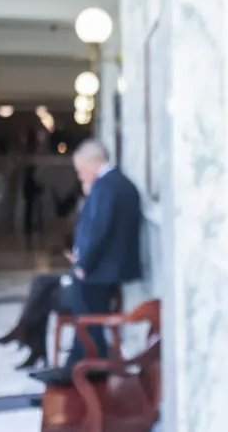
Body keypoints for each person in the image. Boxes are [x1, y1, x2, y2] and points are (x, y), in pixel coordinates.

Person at [29, 140, 142, 385]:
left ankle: (81, 366)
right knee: (78, 310)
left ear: (94, 162)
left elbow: (100, 230)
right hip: (105, 269)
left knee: (81, 312)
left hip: (101, 271)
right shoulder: (114, 184)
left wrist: (83, 266)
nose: (79, 174)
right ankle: (75, 365)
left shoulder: (106, 186)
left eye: (80, 168)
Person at [0, 181, 89, 369]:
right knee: (40, 281)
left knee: (42, 297)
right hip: (78, 275)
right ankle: (28, 338)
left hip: (85, 284)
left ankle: (26, 337)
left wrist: (78, 260)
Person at [22, 164, 45, 248]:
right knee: (29, 213)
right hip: (30, 200)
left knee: (29, 213)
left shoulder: (29, 180)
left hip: (30, 199)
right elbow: (32, 189)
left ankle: (29, 226)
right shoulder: (29, 180)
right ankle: (29, 226)